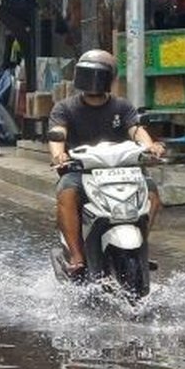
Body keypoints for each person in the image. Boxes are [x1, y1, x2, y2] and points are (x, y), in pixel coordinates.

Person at [47, 49, 165, 277]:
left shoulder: (122, 107)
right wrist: (59, 154)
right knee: (66, 193)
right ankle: (77, 256)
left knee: (152, 194)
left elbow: (137, 130)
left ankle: (140, 245)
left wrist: (151, 147)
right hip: (81, 172)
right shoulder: (65, 108)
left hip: (123, 172)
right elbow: (57, 133)